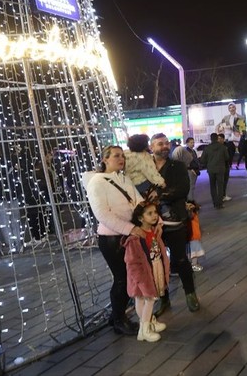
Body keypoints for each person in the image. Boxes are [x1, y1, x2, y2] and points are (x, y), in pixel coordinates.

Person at [84, 145, 145, 336]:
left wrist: (150, 219)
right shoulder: (97, 182)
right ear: (105, 159)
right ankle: (118, 320)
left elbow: (138, 201)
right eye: (116, 156)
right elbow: (102, 214)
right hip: (111, 238)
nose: (121, 159)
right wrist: (131, 228)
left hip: (129, 235)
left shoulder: (123, 178)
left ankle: (117, 316)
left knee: (128, 277)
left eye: (123, 156)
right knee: (122, 278)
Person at [149, 133, 200, 315]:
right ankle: (163, 299)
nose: (164, 146)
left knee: (180, 259)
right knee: (158, 262)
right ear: (151, 147)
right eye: (160, 144)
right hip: (152, 224)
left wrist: (160, 196)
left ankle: (190, 294)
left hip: (175, 219)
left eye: (166, 143)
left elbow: (182, 189)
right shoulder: (145, 168)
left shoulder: (177, 166)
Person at [123, 201, 169, 342]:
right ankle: (144, 330)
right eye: (150, 213)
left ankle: (150, 321)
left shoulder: (153, 232)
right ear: (141, 218)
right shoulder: (135, 238)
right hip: (143, 274)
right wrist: (140, 278)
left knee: (143, 299)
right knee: (148, 299)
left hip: (152, 268)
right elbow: (132, 261)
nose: (154, 216)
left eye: (155, 212)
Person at [199, 133, 229, 209]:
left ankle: (215, 203)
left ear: (211, 139)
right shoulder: (223, 147)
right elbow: (227, 157)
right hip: (220, 169)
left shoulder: (207, 148)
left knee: (212, 186)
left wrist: (208, 162)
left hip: (211, 170)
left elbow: (202, 160)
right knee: (220, 186)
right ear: (217, 138)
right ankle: (220, 203)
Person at [171, 137, 200, 201]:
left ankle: (191, 200)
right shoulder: (185, 151)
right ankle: (190, 201)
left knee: (192, 187)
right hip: (190, 171)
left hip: (194, 170)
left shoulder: (193, 151)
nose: (193, 144)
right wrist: (191, 169)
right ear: (187, 143)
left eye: (193, 142)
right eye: (191, 142)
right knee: (190, 187)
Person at [186, 200, 205, 271]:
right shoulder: (191, 214)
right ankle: (193, 265)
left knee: (193, 252)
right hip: (193, 237)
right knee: (194, 252)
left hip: (194, 236)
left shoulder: (194, 214)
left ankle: (194, 263)